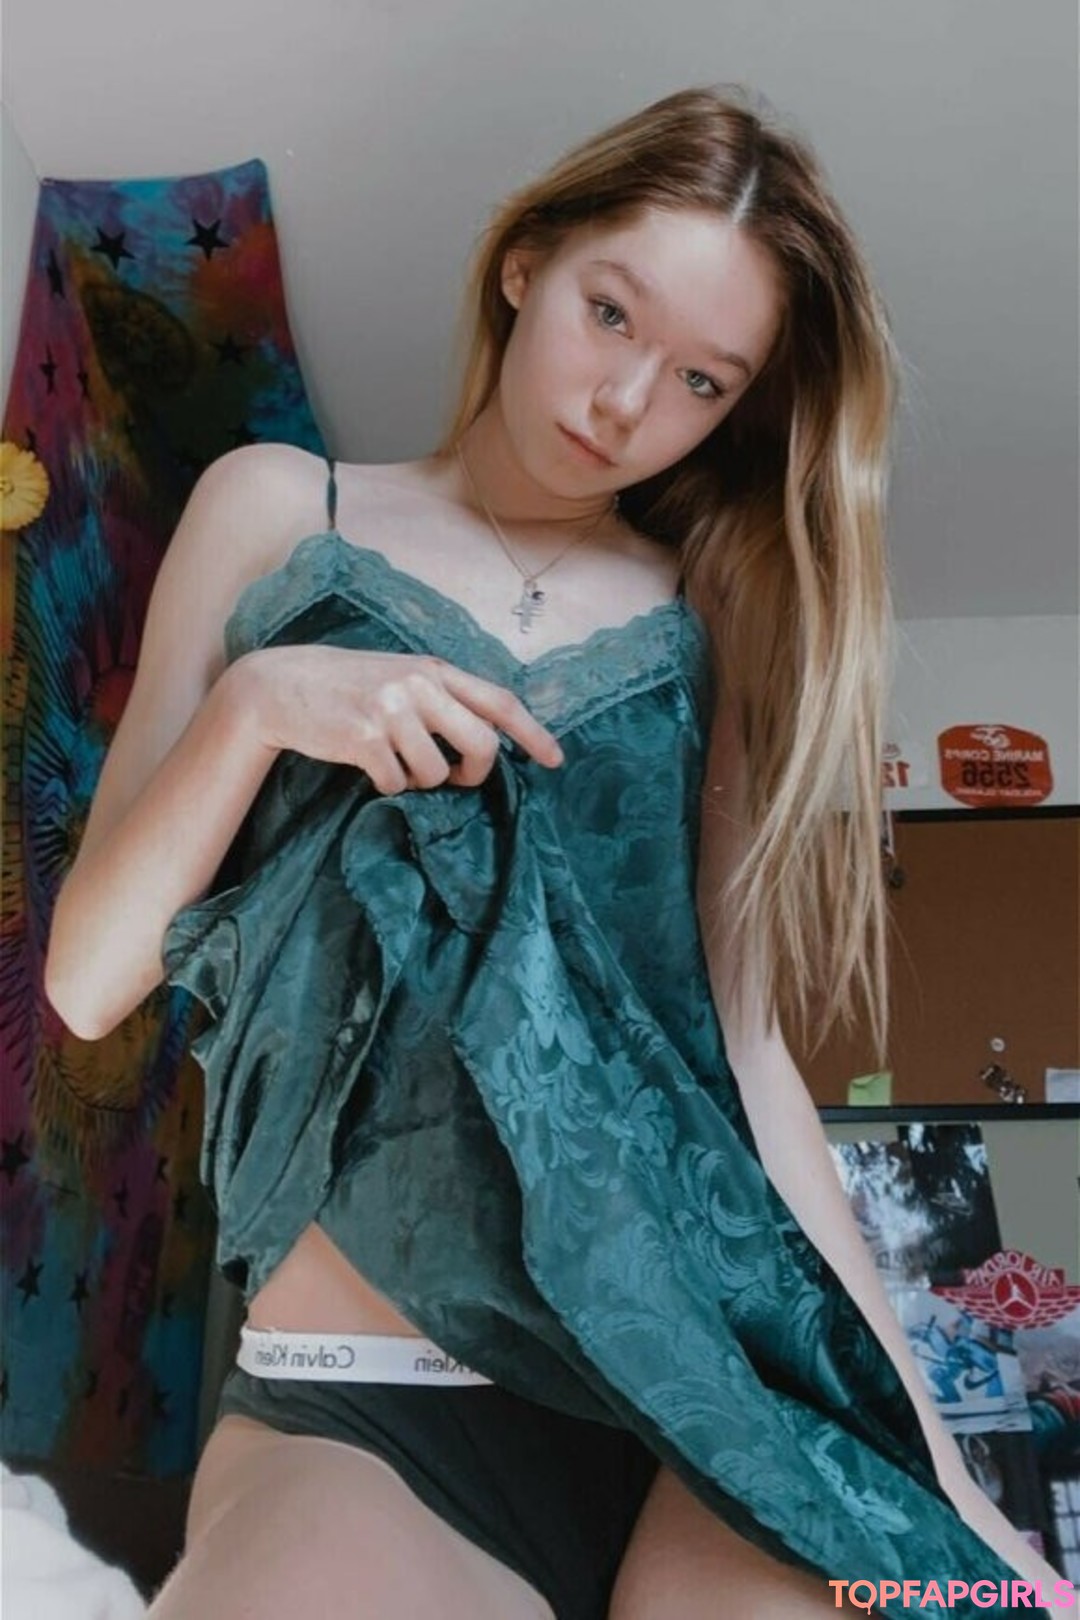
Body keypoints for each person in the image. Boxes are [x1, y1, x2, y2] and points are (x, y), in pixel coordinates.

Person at [44, 87, 1055, 1618]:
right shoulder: (279, 509)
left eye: (702, 378)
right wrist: (261, 706)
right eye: (610, 312)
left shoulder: (709, 612)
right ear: (527, 261)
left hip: (709, 1399)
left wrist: (942, 1467)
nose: (627, 398)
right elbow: (86, 980)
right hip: (376, 1406)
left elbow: (748, 1059)